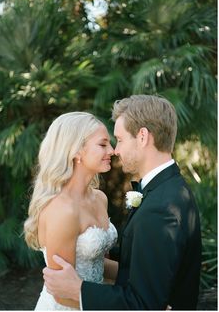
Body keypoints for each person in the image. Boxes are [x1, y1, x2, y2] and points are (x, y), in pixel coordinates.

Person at [43, 95, 202, 310]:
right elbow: (142, 265)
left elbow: (142, 303)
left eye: (119, 139)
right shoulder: (170, 190)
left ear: (143, 137)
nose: (115, 150)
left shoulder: (161, 207)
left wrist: (78, 289)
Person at [24, 111, 117, 310]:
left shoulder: (100, 199)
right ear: (76, 151)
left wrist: (146, 283)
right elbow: (62, 293)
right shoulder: (62, 211)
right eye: (102, 144)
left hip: (95, 299)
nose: (112, 150)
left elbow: (99, 264)